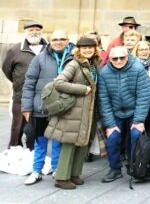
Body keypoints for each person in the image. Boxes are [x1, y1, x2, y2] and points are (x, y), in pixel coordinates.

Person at [44, 36, 100, 190]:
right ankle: (62, 177)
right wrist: (82, 89)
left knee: (82, 144)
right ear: (79, 49)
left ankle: (74, 174)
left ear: (95, 49)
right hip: (73, 111)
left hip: (87, 111)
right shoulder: (74, 64)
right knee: (69, 143)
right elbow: (59, 82)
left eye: (90, 47)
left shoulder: (93, 64)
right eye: (84, 48)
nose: (88, 50)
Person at [21, 30, 73, 185]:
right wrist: (26, 108)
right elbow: (29, 83)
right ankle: (37, 170)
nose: (58, 42)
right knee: (40, 141)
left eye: (62, 39)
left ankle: (56, 169)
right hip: (41, 107)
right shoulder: (39, 59)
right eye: (55, 39)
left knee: (58, 141)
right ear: (50, 41)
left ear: (68, 41)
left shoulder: (73, 59)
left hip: (63, 108)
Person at [98, 45, 150, 183]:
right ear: (109, 59)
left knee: (136, 135)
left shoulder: (138, 69)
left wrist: (139, 120)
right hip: (115, 112)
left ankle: (136, 166)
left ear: (127, 56)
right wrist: (109, 124)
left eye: (122, 57)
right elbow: (104, 100)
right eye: (115, 58)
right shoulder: (104, 73)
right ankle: (115, 169)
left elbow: (144, 96)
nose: (119, 61)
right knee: (113, 138)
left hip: (134, 110)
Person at [2, 21, 47, 148]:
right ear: (25, 32)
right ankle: (14, 151)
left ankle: (33, 152)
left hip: (41, 97)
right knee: (17, 127)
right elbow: (7, 69)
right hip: (21, 95)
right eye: (31, 30)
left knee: (37, 128)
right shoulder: (15, 49)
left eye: (37, 30)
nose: (34, 32)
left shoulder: (48, 49)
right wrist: (18, 82)